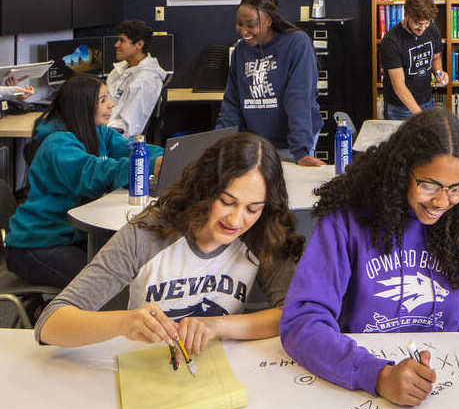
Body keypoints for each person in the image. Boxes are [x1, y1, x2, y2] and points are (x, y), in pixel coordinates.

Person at [279, 108, 459, 407]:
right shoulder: (346, 221)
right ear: (401, 171)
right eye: (429, 185)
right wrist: (377, 375)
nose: (441, 201)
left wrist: (444, 369)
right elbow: (302, 322)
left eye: (456, 188)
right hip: (352, 387)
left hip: (437, 391)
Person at [34, 132, 303, 355]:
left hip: (218, 368)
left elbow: (296, 314)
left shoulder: (263, 232)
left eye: (252, 208)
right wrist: (124, 323)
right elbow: (50, 324)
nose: (236, 219)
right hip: (144, 366)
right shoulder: (149, 232)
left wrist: (217, 326)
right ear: (206, 188)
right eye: (227, 202)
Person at [5, 75, 164, 288]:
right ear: (81, 106)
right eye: (102, 100)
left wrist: (165, 156)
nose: (112, 104)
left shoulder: (99, 131)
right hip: (39, 245)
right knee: (106, 286)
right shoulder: (56, 143)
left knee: (127, 269)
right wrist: (148, 164)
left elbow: (130, 150)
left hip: (73, 236)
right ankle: (52, 314)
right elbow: (92, 173)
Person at [217, 0, 324, 166]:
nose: (243, 31)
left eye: (251, 25)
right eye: (239, 24)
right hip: (256, 146)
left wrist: (301, 152)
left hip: (292, 143)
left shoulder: (296, 44)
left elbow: (298, 99)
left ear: (269, 21)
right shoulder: (240, 51)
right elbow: (232, 104)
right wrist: (219, 147)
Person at [380, 0, 448, 120]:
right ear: (406, 15)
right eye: (418, 23)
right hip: (399, 108)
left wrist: (439, 72)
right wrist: (420, 115)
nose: (422, 28)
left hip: (427, 100)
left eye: (426, 23)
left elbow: (436, 57)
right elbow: (399, 86)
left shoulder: (432, 30)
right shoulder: (391, 41)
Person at [106, 19, 168, 138]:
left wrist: (95, 130)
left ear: (139, 44)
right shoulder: (120, 70)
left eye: (122, 41)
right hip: (103, 126)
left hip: (114, 138)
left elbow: (128, 128)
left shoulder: (145, 80)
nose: (116, 45)